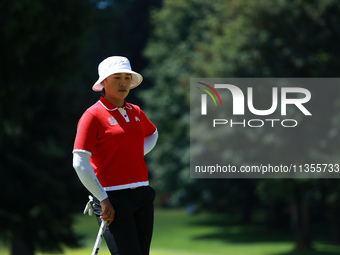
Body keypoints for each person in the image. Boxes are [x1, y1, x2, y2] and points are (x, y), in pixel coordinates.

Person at [72, 56, 158, 255]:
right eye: (116, 77)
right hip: (112, 199)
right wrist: (102, 199)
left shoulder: (135, 111)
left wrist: (131, 155)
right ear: (103, 82)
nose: (123, 82)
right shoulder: (92, 115)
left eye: (127, 77)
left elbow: (153, 133)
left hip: (142, 194)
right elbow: (79, 162)